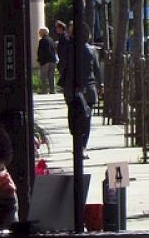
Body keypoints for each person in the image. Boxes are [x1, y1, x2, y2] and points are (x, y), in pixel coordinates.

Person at [60, 21, 102, 154]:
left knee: (73, 116)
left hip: (71, 89)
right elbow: (96, 70)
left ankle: (77, 143)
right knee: (87, 119)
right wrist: (100, 85)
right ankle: (83, 146)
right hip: (88, 89)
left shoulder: (69, 50)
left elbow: (62, 67)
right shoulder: (92, 51)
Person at [35, 27, 57, 94]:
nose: (39, 34)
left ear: (43, 33)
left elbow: (41, 51)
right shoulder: (51, 40)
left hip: (45, 61)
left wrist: (39, 60)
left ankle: (44, 90)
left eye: (40, 32)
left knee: (43, 76)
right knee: (51, 76)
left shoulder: (42, 40)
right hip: (52, 60)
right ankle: (52, 90)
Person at [53, 20, 71, 90]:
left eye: (57, 28)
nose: (56, 29)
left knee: (64, 74)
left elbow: (65, 49)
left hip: (64, 59)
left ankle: (65, 87)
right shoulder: (62, 36)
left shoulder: (64, 36)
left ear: (61, 28)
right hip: (62, 59)